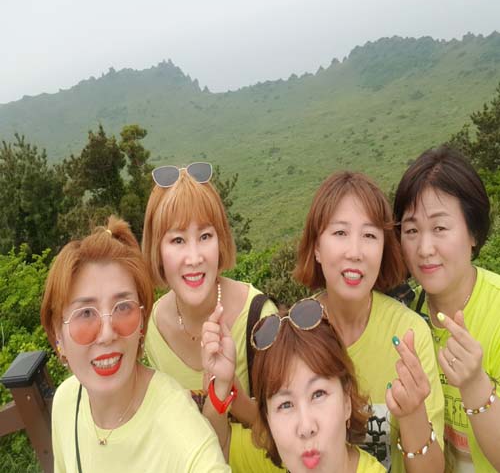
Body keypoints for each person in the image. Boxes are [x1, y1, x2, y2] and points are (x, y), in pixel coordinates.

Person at [41, 216, 229, 472]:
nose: (107, 333)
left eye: (123, 308)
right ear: (57, 333)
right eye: (85, 313)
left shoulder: (182, 430)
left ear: (141, 323)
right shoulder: (66, 402)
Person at [293, 171, 445, 473]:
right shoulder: (295, 332)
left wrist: (412, 413)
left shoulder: (408, 334)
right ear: (317, 248)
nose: (355, 252)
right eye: (340, 233)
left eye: (370, 236)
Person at [142, 162, 276, 425]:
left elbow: (280, 430)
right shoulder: (153, 327)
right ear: (157, 250)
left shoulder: (259, 318)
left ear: (220, 240)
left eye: (205, 236)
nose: (194, 258)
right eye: (178, 240)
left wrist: (227, 388)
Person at [394, 146, 500, 472]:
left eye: (440, 228)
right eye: (412, 231)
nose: (425, 249)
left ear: (473, 232)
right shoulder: (405, 317)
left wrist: (475, 384)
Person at [201, 299, 387, 472]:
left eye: (318, 394)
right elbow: (215, 447)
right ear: (267, 420)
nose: (306, 428)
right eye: (285, 405)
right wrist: (222, 383)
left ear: (347, 401)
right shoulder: (278, 460)